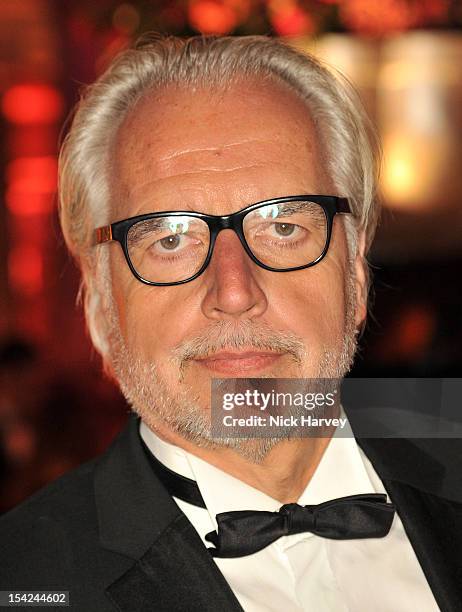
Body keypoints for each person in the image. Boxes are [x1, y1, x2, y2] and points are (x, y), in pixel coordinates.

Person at [0, 34, 460, 612]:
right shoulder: (24, 577)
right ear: (99, 301)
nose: (235, 292)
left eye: (284, 227)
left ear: (356, 276)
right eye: (170, 240)